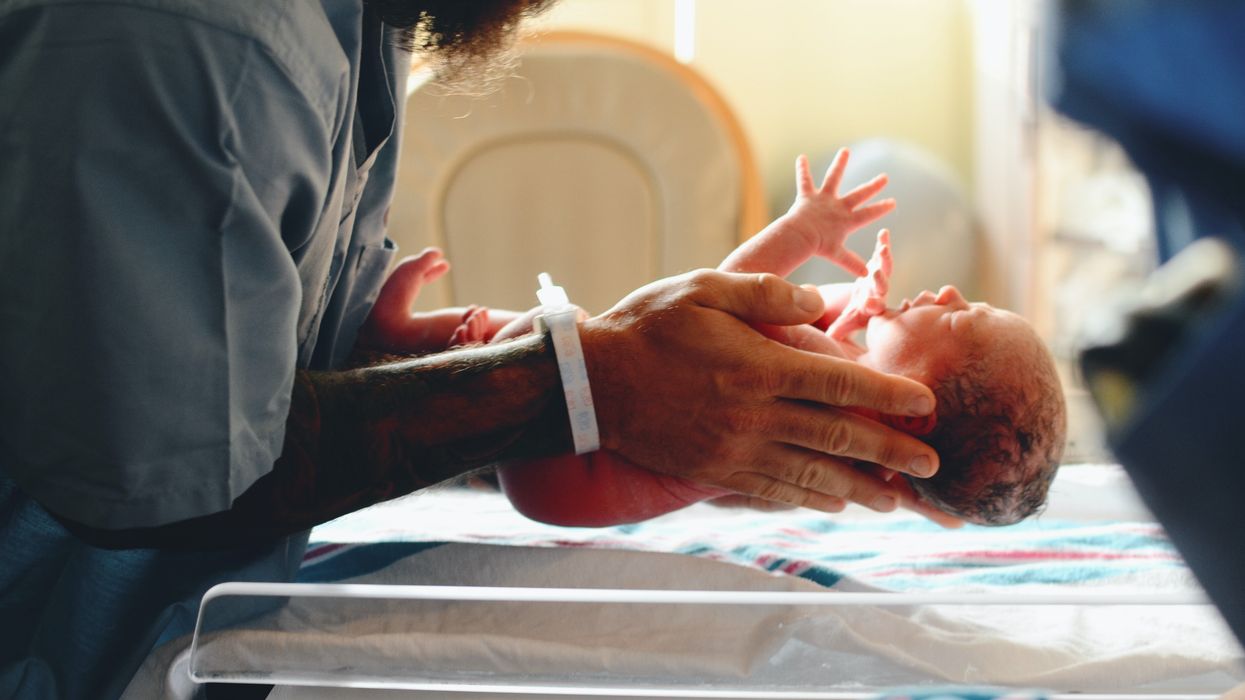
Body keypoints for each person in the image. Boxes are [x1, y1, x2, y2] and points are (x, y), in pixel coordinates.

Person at [0, 2, 940, 697]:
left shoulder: (358, 28)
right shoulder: (199, 42)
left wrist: (356, 358)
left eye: (964, 321)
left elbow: (191, 363)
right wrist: (586, 380)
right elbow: (168, 472)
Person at [493, 151, 1067, 527]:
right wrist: (855, 312)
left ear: (915, 410)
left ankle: (429, 340)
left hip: (569, 462)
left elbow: (725, 302)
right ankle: (419, 334)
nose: (948, 292)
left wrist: (804, 231)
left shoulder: (829, 386)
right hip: (566, 480)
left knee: (536, 330)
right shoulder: (862, 445)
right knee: (520, 333)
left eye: (957, 319)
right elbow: (948, 508)